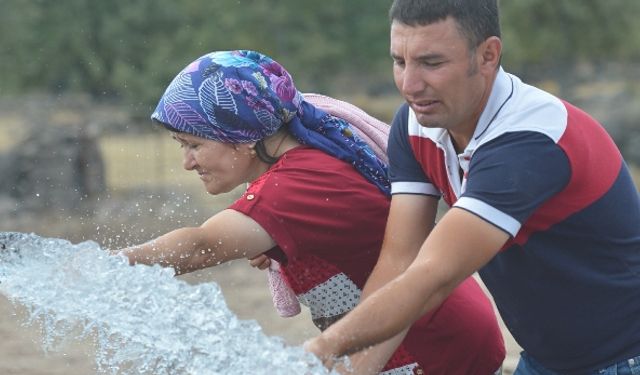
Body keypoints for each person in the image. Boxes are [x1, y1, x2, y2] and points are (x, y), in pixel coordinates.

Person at [115, 49, 506, 374]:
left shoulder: (295, 185)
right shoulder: (310, 152)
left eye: (194, 145)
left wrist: (104, 266)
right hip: (437, 328)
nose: (187, 162)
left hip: (431, 348)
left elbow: (203, 247)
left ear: (243, 137)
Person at [304, 0, 640, 374]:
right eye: (400, 62)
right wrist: (350, 369)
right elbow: (399, 263)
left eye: (431, 63)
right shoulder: (417, 122)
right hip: (547, 359)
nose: (410, 85)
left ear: (488, 55)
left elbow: (433, 277)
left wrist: (316, 353)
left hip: (624, 357)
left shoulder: (530, 140)